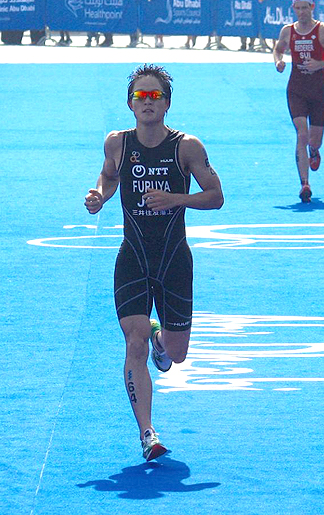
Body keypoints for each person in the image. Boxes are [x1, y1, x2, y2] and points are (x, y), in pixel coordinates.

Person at [83, 64, 224, 461]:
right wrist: (99, 195)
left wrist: (176, 198)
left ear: (166, 103)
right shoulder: (117, 143)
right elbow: (108, 177)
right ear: (130, 103)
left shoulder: (186, 147)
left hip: (174, 259)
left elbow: (215, 196)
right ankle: (147, 432)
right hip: (133, 256)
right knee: (133, 341)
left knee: (176, 354)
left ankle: (164, 341)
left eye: (154, 96)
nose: (147, 102)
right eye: (140, 96)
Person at [272, 0, 324, 202]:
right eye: (298, 8)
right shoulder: (288, 31)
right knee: (301, 134)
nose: (302, 12)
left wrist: (322, 63)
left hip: (318, 89)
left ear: (312, 8)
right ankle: (304, 183)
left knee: (315, 140)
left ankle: (314, 151)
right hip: (296, 88)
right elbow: (278, 49)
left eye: (305, 8)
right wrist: (278, 61)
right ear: (293, 9)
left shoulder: (323, 30)